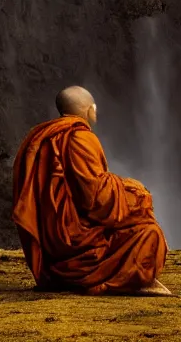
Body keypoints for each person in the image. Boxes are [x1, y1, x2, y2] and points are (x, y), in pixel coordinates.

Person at [10, 85, 172, 296]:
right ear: (88, 110)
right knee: (149, 233)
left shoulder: (43, 137)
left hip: (52, 231)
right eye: (94, 107)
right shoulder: (80, 137)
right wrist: (135, 190)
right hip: (72, 236)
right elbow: (95, 197)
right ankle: (125, 280)